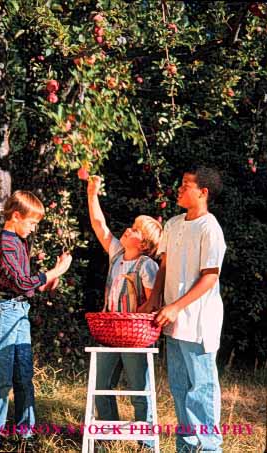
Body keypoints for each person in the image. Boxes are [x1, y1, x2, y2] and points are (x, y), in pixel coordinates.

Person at [0, 190, 72, 441]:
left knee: (23, 376)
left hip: (20, 310)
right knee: (2, 376)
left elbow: (31, 286)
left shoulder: (20, 242)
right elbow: (21, 282)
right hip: (6, 311)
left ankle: (25, 434)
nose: (33, 228)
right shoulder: (6, 243)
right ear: (17, 216)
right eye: (32, 223)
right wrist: (53, 271)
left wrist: (53, 276)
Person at [150, 166, 226, 453]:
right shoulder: (171, 224)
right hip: (173, 321)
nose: (179, 189)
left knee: (202, 389)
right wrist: (154, 300)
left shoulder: (210, 228)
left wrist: (175, 306)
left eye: (186, 185)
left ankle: (209, 448)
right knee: (180, 388)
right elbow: (164, 266)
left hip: (199, 323)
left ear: (203, 192)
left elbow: (210, 276)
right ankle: (185, 447)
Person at [87, 176, 162, 451]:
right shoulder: (117, 254)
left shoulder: (146, 265)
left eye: (134, 230)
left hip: (135, 337)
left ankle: (146, 442)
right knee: (102, 387)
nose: (128, 230)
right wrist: (92, 193)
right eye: (131, 227)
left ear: (143, 244)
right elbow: (99, 225)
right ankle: (107, 437)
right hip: (109, 333)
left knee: (139, 391)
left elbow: (152, 301)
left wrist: (136, 317)